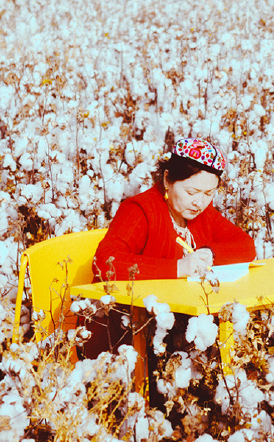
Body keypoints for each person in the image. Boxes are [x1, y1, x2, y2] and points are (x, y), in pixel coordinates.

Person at [81, 137, 255, 359]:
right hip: (127, 339)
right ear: (167, 179)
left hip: (178, 334)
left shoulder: (201, 214)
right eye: (191, 192)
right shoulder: (140, 211)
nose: (199, 203)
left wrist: (210, 255)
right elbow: (106, 263)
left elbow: (246, 246)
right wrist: (178, 268)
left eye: (209, 193)